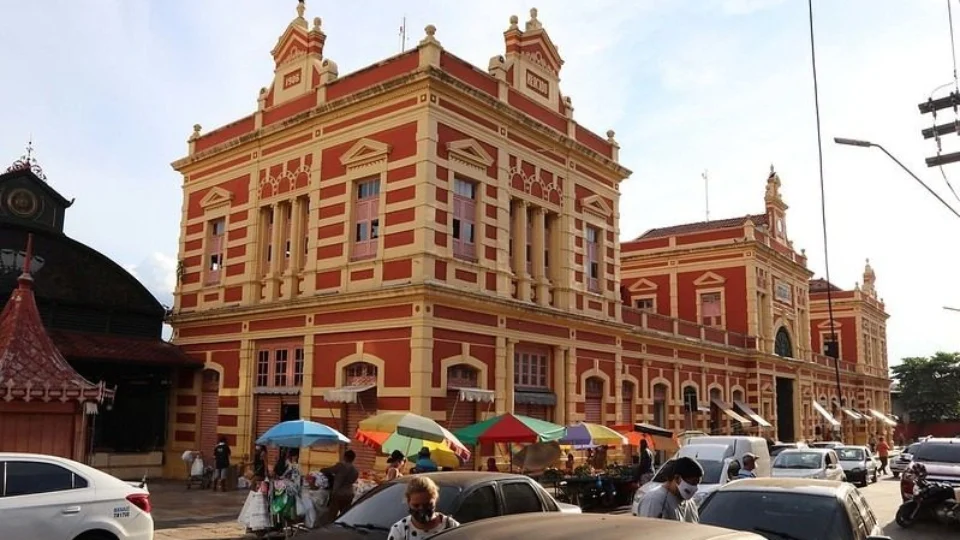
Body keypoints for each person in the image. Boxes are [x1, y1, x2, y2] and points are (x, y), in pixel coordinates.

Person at [387, 476, 459, 540]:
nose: (421, 509)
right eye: (416, 505)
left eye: (427, 505)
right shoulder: (400, 530)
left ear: (435, 500)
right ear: (408, 502)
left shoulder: (451, 526)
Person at [635, 456, 703, 523]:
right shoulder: (654, 501)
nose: (695, 488)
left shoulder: (690, 504)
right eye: (693, 483)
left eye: (697, 484)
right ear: (677, 478)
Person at [322, 449, 360, 520]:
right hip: (349, 494)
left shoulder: (340, 466)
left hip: (338, 493)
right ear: (353, 459)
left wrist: (322, 470)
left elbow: (329, 470)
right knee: (345, 516)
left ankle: (330, 529)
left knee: (332, 515)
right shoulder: (355, 471)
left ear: (345, 457)